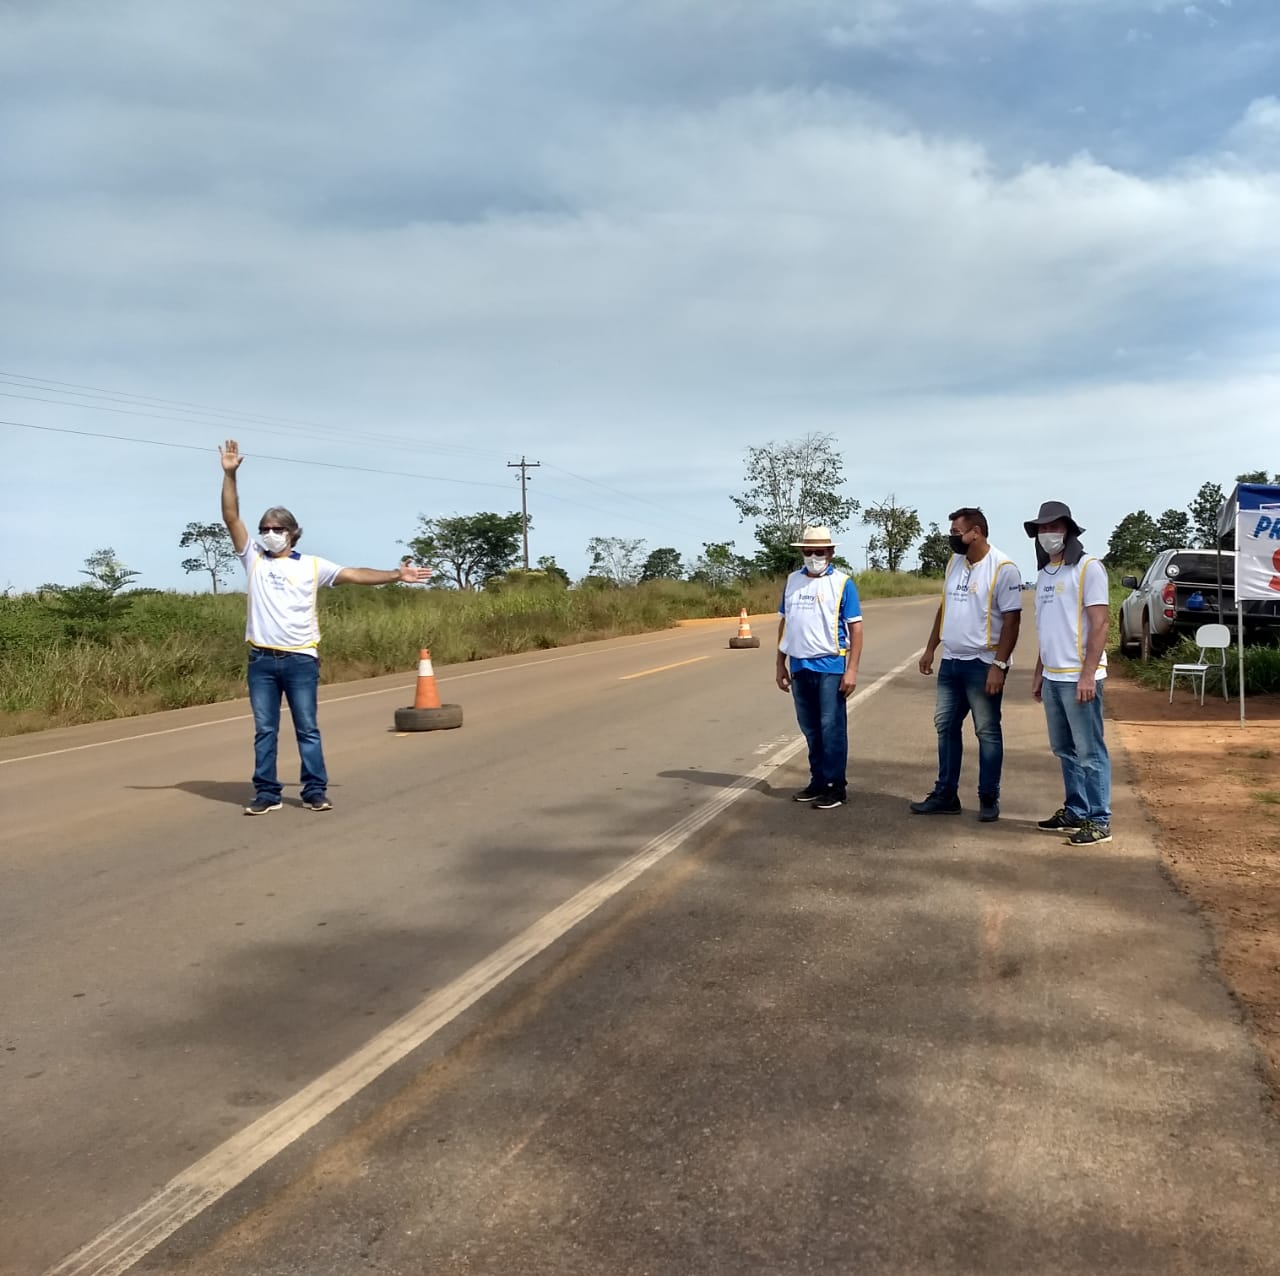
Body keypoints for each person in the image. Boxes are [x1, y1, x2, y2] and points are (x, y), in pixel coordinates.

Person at [219, 439, 433, 815]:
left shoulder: (312, 565)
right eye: (265, 527)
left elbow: (354, 573)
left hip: (301, 660)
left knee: (307, 729)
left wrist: (396, 575)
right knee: (265, 731)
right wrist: (230, 474)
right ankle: (266, 794)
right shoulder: (253, 558)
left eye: (277, 527)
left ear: (292, 532)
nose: (270, 532)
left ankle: (313, 790)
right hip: (262, 662)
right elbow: (231, 516)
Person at [909, 507, 1023, 822]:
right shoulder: (955, 563)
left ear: (977, 532)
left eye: (957, 532)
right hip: (952, 662)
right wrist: (931, 648)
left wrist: (999, 665)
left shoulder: (1004, 568)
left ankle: (988, 797)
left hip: (983, 662)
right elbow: (944, 607)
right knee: (945, 726)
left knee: (986, 731)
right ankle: (946, 794)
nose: (952, 538)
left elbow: (1012, 622)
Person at [1025, 500, 1112, 846]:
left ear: (1069, 531)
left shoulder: (1088, 568)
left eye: (1054, 527)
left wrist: (1088, 674)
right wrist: (1038, 672)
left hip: (1079, 677)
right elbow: (1048, 629)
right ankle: (1075, 809)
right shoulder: (1045, 573)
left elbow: (1100, 623)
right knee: (1064, 749)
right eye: (1043, 529)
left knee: (1090, 751)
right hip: (1053, 676)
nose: (1048, 534)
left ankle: (1099, 818)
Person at [775, 526, 863, 810]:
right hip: (800, 665)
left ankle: (835, 786)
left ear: (831, 552)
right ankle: (817, 780)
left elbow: (856, 629)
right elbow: (785, 623)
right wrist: (780, 663)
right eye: (808, 551)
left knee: (831, 728)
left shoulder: (842, 583)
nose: (813, 556)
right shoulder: (792, 582)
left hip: (830, 665)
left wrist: (851, 670)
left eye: (819, 552)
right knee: (810, 728)